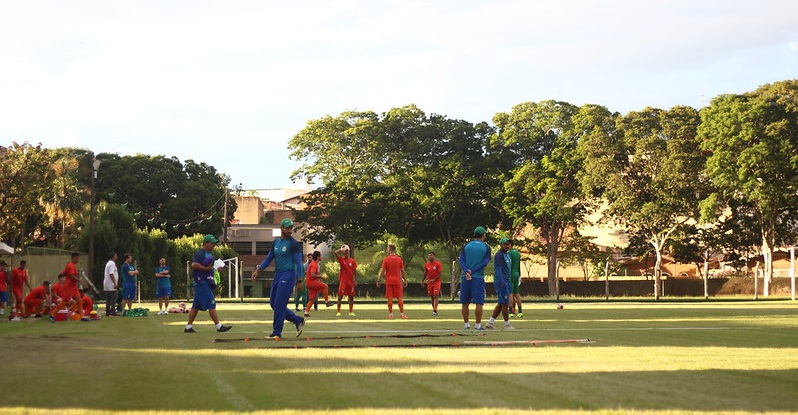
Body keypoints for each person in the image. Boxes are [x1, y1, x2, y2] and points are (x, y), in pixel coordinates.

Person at [251, 219, 304, 339]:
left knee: (280, 304)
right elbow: (268, 258)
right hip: (278, 275)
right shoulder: (275, 243)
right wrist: (258, 270)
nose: (289, 230)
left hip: (288, 275)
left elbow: (298, 263)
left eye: (291, 228)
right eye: (287, 228)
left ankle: (276, 332)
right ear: (281, 228)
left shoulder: (293, 244)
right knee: (274, 304)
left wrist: (299, 280)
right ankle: (297, 320)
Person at [184, 235, 232, 333]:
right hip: (201, 282)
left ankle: (188, 327)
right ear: (206, 243)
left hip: (204, 282)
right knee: (211, 303)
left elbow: (209, 267)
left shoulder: (209, 254)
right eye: (212, 243)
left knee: (196, 306)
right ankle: (219, 326)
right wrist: (206, 269)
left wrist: (216, 268)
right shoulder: (200, 253)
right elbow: (194, 264)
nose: (214, 245)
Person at [458, 226, 491, 330]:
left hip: (465, 277)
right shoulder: (486, 247)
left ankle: (466, 325)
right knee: (479, 302)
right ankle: (477, 325)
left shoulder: (466, 245)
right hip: (477, 277)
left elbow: (461, 260)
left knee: (465, 302)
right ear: (483, 235)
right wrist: (472, 271)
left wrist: (466, 271)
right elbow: (485, 262)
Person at [485, 238, 515, 330]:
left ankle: (490, 322)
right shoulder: (499, 255)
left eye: (509, 244)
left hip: (507, 280)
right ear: (501, 245)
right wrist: (502, 282)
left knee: (501, 302)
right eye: (505, 244)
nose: (507, 246)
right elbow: (498, 269)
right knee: (505, 303)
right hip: (502, 281)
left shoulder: (507, 255)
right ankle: (507, 324)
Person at [376, 243, 407, 319]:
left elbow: (382, 271)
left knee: (390, 297)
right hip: (398, 281)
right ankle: (402, 314)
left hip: (389, 281)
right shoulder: (399, 259)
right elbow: (403, 271)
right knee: (399, 297)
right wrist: (405, 280)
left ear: (390, 249)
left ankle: (391, 314)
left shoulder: (386, 259)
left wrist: (379, 280)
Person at [304, 251, 334, 316]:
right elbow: (312, 274)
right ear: (318, 257)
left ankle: (306, 312)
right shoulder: (314, 264)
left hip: (309, 282)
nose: (321, 257)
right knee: (325, 286)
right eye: (321, 255)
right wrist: (321, 277)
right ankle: (327, 302)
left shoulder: (313, 263)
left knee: (312, 299)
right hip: (311, 282)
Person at [53, 253, 83, 318]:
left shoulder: (70, 265)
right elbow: (71, 275)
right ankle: (54, 313)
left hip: (73, 287)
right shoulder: (71, 265)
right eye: (77, 258)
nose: (78, 260)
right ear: (74, 258)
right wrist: (79, 280)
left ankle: (82, 316)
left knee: (79, 300)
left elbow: (63, 272)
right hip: (69, 287)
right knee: (65, 301)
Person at [335, 244, 358, 317]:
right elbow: (335, 253)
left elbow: (355, 271)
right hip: (343, 281)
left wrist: (355, 280)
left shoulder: (352, 261)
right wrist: (341, 249)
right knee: (340, 296)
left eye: (347, 252)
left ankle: (351, 311)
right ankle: (338, 311)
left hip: (350, 281)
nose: (346, 253)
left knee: (351, 296)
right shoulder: (341, 260)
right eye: (345, 252)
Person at [421, 251, 443, 316]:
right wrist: (422, 281)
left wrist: (434, 279)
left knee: (435, 295)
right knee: (432, 297)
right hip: (429, 282)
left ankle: (435, 310)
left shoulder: (438, 264)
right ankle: (434, 309)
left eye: (431, 255)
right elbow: (425, 273)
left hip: (437, 282)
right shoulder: (426, 265)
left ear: (434, 256)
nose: (430, 256)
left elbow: (440, 273)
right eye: (429, 255)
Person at [508, 243, 523, 318]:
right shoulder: (517, 253)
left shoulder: (508, 254)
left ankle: (511, 311)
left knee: (510, 293)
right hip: (517, 274)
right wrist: (520, 274)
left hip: (510, 275)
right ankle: (520, 312)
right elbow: (518, 265)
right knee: (516, 293)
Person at [103, 252, 119, 316]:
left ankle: (108, 312)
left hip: (106, 284)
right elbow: (111, 273)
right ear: (113, 256)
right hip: (111, 284)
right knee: (113, 298)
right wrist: (115, 283)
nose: (117, 257)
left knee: (108, 299)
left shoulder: (108, 263)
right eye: (116, 256)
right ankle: (113, 311)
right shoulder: (112, 264)